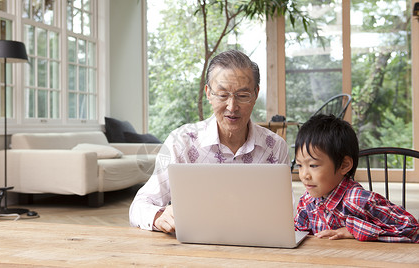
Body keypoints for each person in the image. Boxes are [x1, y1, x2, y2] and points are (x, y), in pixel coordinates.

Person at [129, 50, 289, 232]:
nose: (232, 106)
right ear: (208, 93)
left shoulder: (275, 146)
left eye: (242, 95)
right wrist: (159, 216)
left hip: (258, 244)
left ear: (255, 94)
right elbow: (139, 206)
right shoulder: (181, 142)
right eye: (222, 95)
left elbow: (284, 212)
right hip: (195, 248)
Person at [294, 114, 419, 243]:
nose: (304, 175)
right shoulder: (307, 201)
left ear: (344, 165)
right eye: (299, 165)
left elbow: (412, 228)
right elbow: (299, 235)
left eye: (313, 165)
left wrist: (353, 229)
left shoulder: (358, 200)